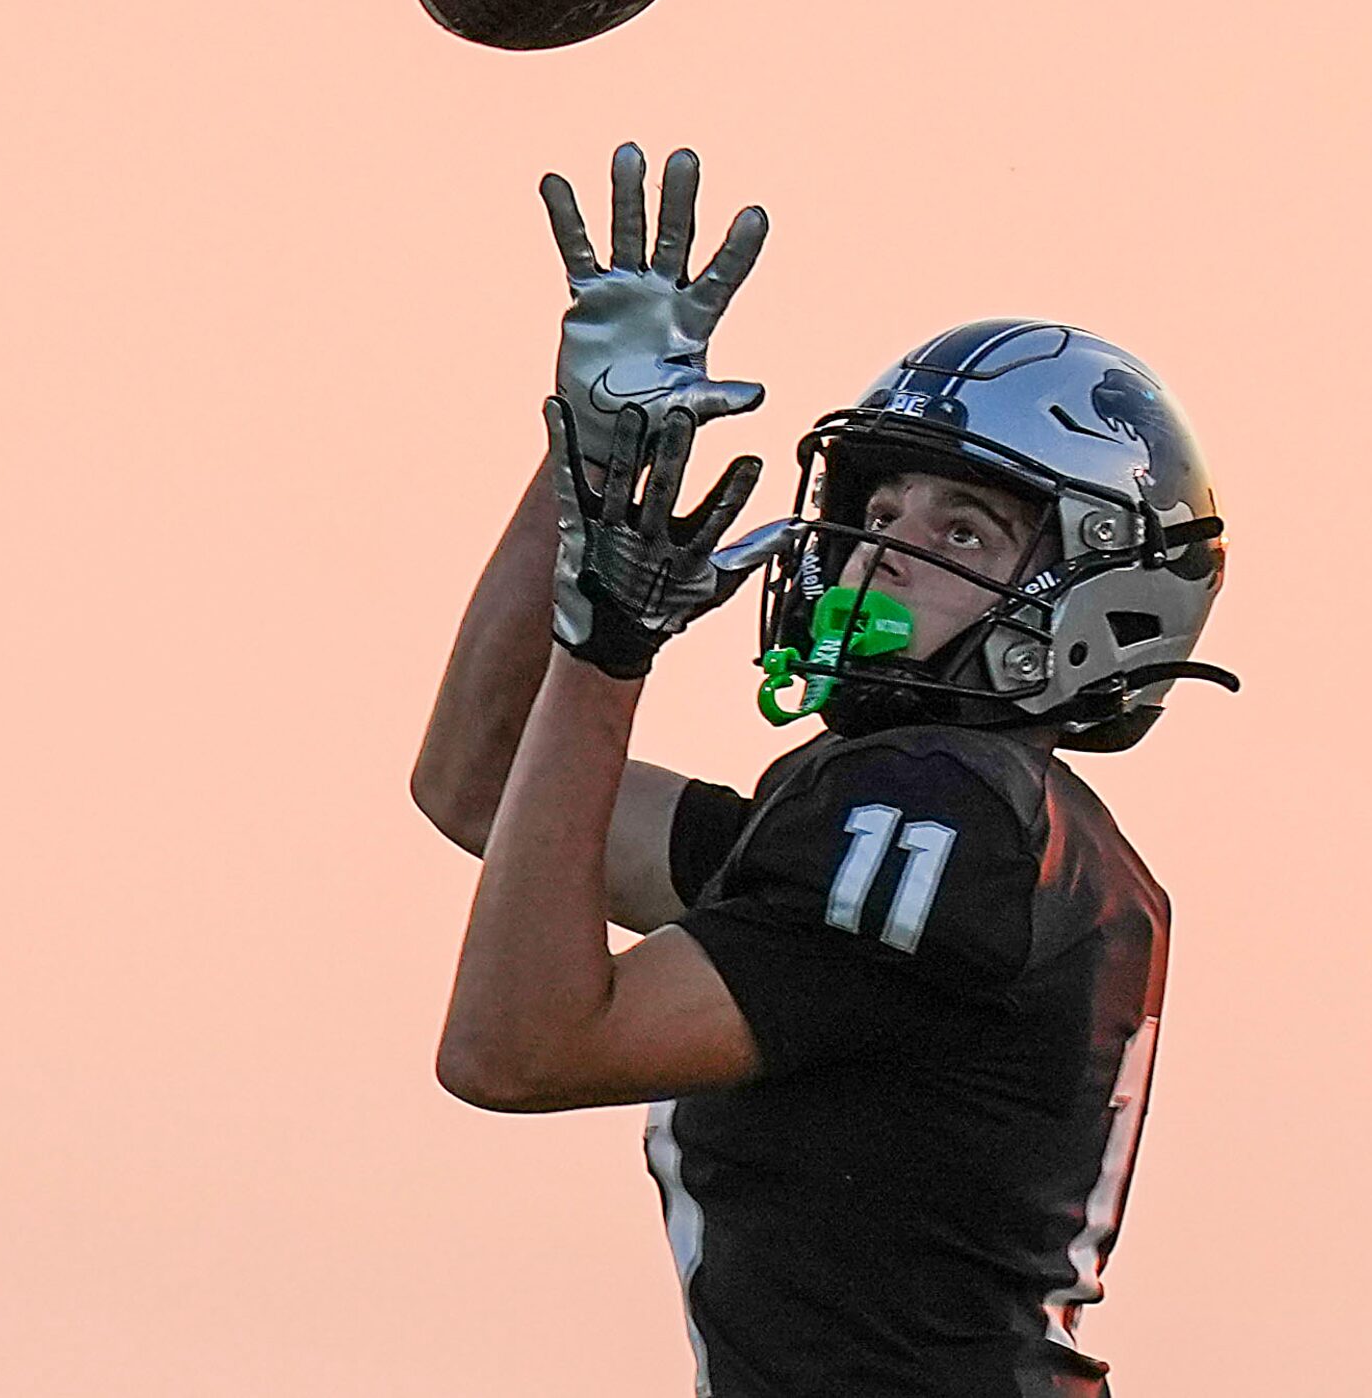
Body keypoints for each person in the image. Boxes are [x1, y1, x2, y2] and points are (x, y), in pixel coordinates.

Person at [412, 146, 1235, 1398]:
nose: (883, 547)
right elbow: (477, 783)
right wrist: (582, 465)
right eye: (884, 506)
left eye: (961, 528)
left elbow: (514, 1049)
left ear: (1097, 601)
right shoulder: (917, 813)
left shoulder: (943, 811)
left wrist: (610, 653)